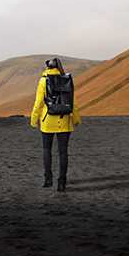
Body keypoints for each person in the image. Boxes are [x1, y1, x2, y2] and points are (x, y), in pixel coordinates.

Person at [30, 56, 81, 192]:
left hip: (48, 120)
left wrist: (34, 119)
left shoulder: (43, 80)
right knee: (63, 152)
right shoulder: (66, 79)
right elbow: (73, 102)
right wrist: (76, 119)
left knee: (47, 148)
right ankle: (62, 182)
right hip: (64, 119)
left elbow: (38, 102)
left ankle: (48, 179)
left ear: (47, 66)